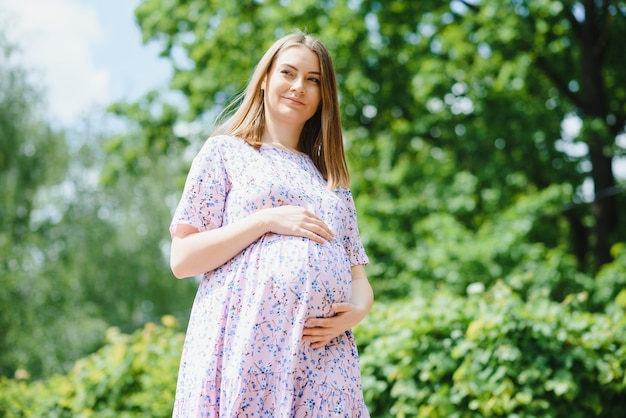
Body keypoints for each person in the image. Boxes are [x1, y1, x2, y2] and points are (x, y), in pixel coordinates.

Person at [169, 30, 374, 417]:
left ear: (323, 96)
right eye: (288, 73)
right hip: (246, 348)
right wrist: (265, 220)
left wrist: (356, 312)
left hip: (321, 357)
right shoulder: (226, 152)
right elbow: (183, 259)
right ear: (265, 79)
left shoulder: (331, 184)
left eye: (313, 80)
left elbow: (358, 278)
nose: (299, 86)